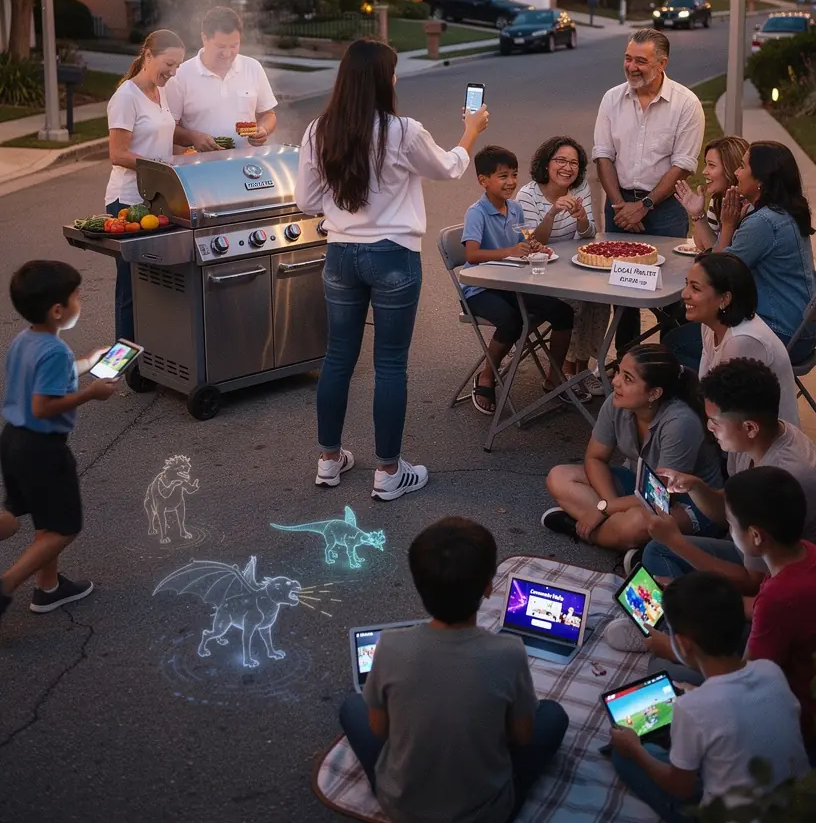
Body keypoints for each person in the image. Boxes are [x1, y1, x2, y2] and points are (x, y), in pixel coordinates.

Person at [295, 39, 488, 500]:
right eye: (394, 71)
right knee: (390, 364)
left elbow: (305, 201)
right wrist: (471, 131)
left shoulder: (319, 131)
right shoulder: (403, 131)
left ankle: (328, 461)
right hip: (393, 256)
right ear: (384, 80)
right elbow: (447, 168)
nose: (397, 78)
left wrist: (344, 210)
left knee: (337, 359)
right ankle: (387, 471)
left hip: (341, 253)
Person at [338, 517, 569, 823]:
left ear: (418, 585)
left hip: (401, 807)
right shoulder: (509, 652)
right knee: (553, 716)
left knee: (352, 705)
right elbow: (522, 737)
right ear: (489, 587)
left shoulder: (389, 647)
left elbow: (380, 730)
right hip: (488, 813)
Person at [608, 571, 808, 823]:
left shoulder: (691, 709)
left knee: (626, 754)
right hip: (798, 805)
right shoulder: (771, 671)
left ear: (683, 644)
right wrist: (696, 694)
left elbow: (681, 787)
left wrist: (634, 749)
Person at [0, 262, 117, 624]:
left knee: (28, 512)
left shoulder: (26, 340)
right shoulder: (54, 351)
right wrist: (91, 394)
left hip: (14, 441)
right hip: (43, 449)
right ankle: (5, 586)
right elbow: (45, 404)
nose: (80, 302)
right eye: (76, 297)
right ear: (57, 310)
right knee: (64, 527)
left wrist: (88, 362)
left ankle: (48, 588)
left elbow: (43, 382)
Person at [641, 358, 816, 589]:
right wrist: (695, 487)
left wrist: (676, 543)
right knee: (657, 549)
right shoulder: (755, 439)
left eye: (715, 421)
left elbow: (754, 582)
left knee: (669, 562)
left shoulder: (777, 479)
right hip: (747, 547)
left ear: (750, 427)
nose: (709, 428)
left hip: (778, 581)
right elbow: (729, 509)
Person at [542, 344, 723, 555]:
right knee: (558, 476)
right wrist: (608, 505)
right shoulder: (617, 402)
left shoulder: (680, 422)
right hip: (639, 485)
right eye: (619, 371)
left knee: (637, 523)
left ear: (654, 393)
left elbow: (661, 497)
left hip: (688, 502)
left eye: (628, 379)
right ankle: (622, 540)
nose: (615, 381)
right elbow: (595, 458)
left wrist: (604, 509)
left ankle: (582, 529)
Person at [592, 28, 705, 351]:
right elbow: (603, 155)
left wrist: (645, 206)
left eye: (641, 61)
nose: (631, 67)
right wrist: (619, 206)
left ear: (662, 63)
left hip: (665, 210)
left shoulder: (686, 104)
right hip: (618, 206)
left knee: (671, 296)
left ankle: (673, 368)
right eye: (628, 59)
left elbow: (682, 163)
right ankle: (625, 367)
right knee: (621, 295)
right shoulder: (612, 99)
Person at [461, 146, 575, 413]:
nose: (511, 182)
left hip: (511, 284)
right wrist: (509, 252)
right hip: (480, 289)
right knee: (512, 321)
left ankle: (554, 376)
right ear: (483, 180)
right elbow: (472, 254)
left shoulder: (515, 208)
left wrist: (536, 248)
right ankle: (487, 376)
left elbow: (525, 240)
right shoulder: (476, 212)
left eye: (513, 174)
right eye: (502, 176)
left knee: (563, 312)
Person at [726, 466, 816, 751]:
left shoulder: (778, 597)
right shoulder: (808, 550)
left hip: (794, 726)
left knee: (666, 668)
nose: (728, 530)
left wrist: (675, 649)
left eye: (730, 523)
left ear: (755, 535)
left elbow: (748, 686)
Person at [105, 29, 186, 342]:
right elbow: (117, 153)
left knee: (157, 285)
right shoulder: (126, 97)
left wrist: (194, 140)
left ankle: (154, 357)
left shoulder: (160, 90)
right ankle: (120, 370)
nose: (174, 71)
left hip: (158, 199)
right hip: (128, 202)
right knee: (130, 290)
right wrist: (160, 169)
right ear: (148, 56)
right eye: (170, 63)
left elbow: (165, 131)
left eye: (178, 65)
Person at [516, 136, 609, 398]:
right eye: (561, 161)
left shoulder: (579, 190)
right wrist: (552, 213)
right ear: (546, 164)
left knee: (601, 299)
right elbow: (532, 243)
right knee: (576, 301)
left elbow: (589, 235)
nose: (568, 168)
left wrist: (581, 220)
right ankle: (562, 372)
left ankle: (584, 367)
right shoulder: (528, 194)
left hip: (571, 270)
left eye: (574, 163)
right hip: (538, 274)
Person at [666, 252, 800, 423]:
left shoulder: (741, 340)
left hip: (759, 440)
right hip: (728, 426)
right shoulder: (711, 323)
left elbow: (730, 414)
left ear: (724, 298)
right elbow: (705, 385)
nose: (684, 294)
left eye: (695, 288)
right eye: (687, 284)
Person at [717, 141, 816, 362]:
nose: (736, 172)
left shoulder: (763, 222)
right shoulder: (785, 211)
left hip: (781, 335)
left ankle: (721, 396)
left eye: (742, 166)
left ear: (760, 179)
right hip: (802, 331)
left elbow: (716, 274)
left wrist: (727, 225)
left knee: (681, 341)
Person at [165, 5, 277, 151]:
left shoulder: (253, 67)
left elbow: (268, 114)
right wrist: (192, 137)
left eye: (234, 46)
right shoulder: (181, 75)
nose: (227, 53)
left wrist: (263, 129)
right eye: (221, 46)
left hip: (246, 163)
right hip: (199, 164)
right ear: (204, 38)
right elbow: (168, 128)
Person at [674, 135, 749, 253]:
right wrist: (697, 214)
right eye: (706, 164)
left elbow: (722, 260)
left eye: (712, 165)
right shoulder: (718, 199)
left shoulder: (750, 206)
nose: (704, 172)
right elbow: (704, 247)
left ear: (731, 168)